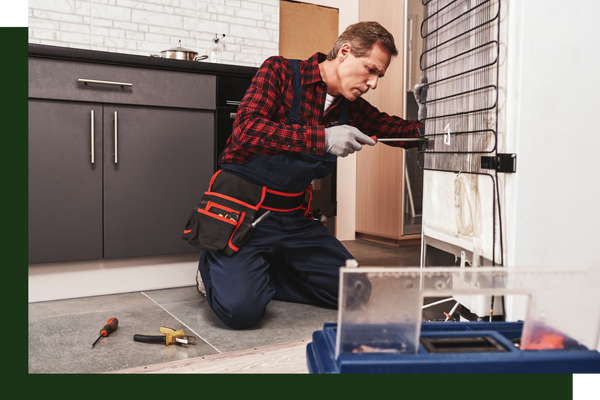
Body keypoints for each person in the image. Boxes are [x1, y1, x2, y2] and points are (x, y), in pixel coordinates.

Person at [196, 21, 422, 329]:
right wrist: (324, 139)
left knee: (356, 292)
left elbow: (399, 131)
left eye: (379, 75)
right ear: (345, 52)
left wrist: (434, 115)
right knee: (241, 311)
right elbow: (247, 130)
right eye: (370, 70)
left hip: (293, 220)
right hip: (243, 214)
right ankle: (216, 266)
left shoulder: (350, 108)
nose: (373, 83)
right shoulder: (280, 72)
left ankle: (259, 272)